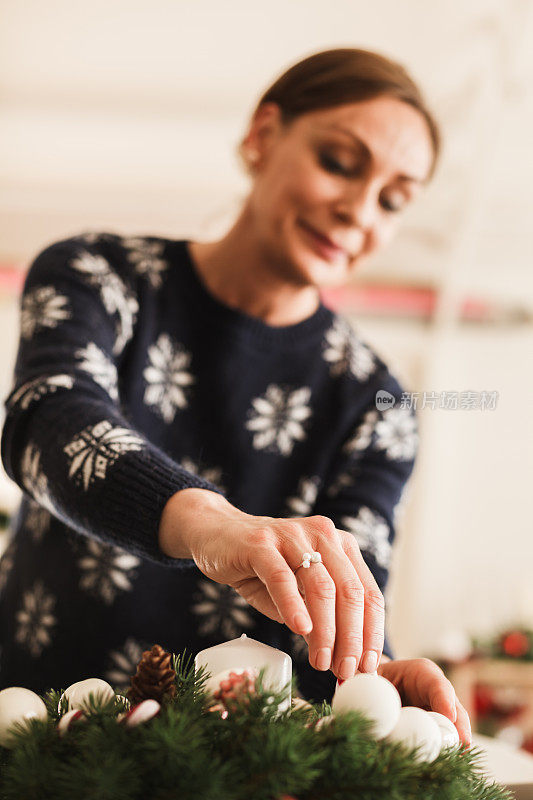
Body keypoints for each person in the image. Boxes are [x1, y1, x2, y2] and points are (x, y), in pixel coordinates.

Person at [0, 47, 471, 743]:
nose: (358, 211)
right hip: (35, 738)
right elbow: (50, 419)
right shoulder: (99, 274)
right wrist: (212, 526)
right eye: (340, 163)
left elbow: (344, 596)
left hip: (223, 768)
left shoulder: (377, 403)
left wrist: (369, 679)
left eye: (393, 199)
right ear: (261, 136)